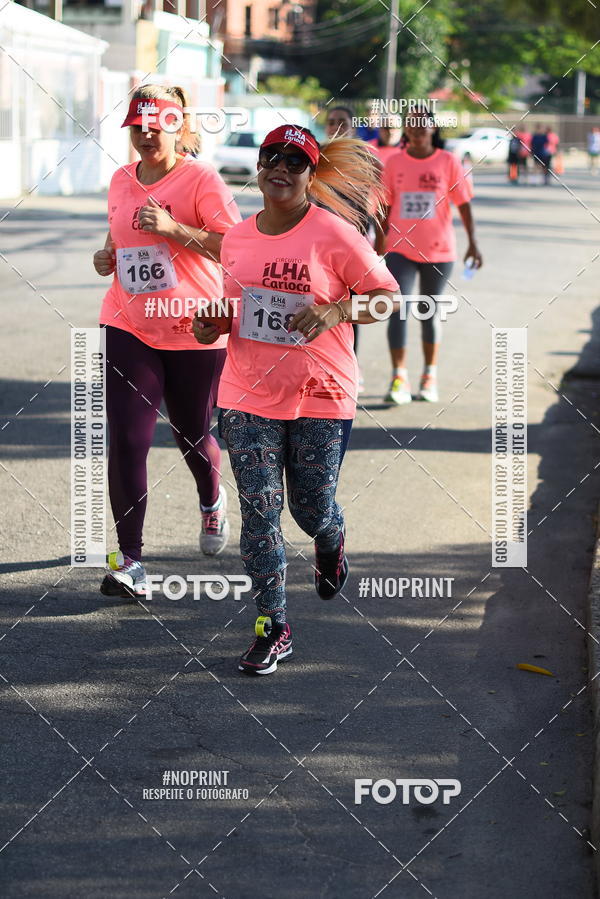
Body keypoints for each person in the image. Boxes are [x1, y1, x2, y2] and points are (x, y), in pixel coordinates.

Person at [192, 125, 400, 675]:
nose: (280, 168)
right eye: (271, 158)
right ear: (259, 168)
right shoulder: (237, 238)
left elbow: (386, 300)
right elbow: (233, 314)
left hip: (320, 392)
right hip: (246, 392)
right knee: (260, 514)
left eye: (294, 161)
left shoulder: (333, 235)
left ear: (311, 174)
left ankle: (330, 538)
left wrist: (335, 311)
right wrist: (209, 323)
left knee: (308, 510)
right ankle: (273, 626)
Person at [93, 84, 241, 597]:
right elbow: (120, 234)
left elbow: (235, 248)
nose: (147, 133)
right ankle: (129, 560)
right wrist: (106, 255)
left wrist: (175, 228)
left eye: (157, 124)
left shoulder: (201, 179)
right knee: (129, 440)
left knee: (192, 434)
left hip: (193, 327)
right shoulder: (119, 179)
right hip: (129, 322)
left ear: (178, 127)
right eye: (139, 125)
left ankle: (210, 498)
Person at [376, 112, 482, 405]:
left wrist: (473, 243)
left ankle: (429, 376)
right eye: (413, 125)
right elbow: (384, 205)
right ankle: (399, 376)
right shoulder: (394, 162)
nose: (419, 130)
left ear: (433, 128)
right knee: (398, 310)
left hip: (438, 250)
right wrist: (379, 241)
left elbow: (463, 204)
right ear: (406, 130)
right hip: (400, 249)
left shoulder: (448, 161)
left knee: (428, 312)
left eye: (424, 125)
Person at [323, 105, 382, 393]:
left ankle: (350, 369)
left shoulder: (366, 157)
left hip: (352, 245)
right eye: (331, 122)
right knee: (320, 304)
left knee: (350, 310)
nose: (336, 126)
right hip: (318, 245)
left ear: (352, 125)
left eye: (342, 121)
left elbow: (376, 205)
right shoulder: (317, 155)